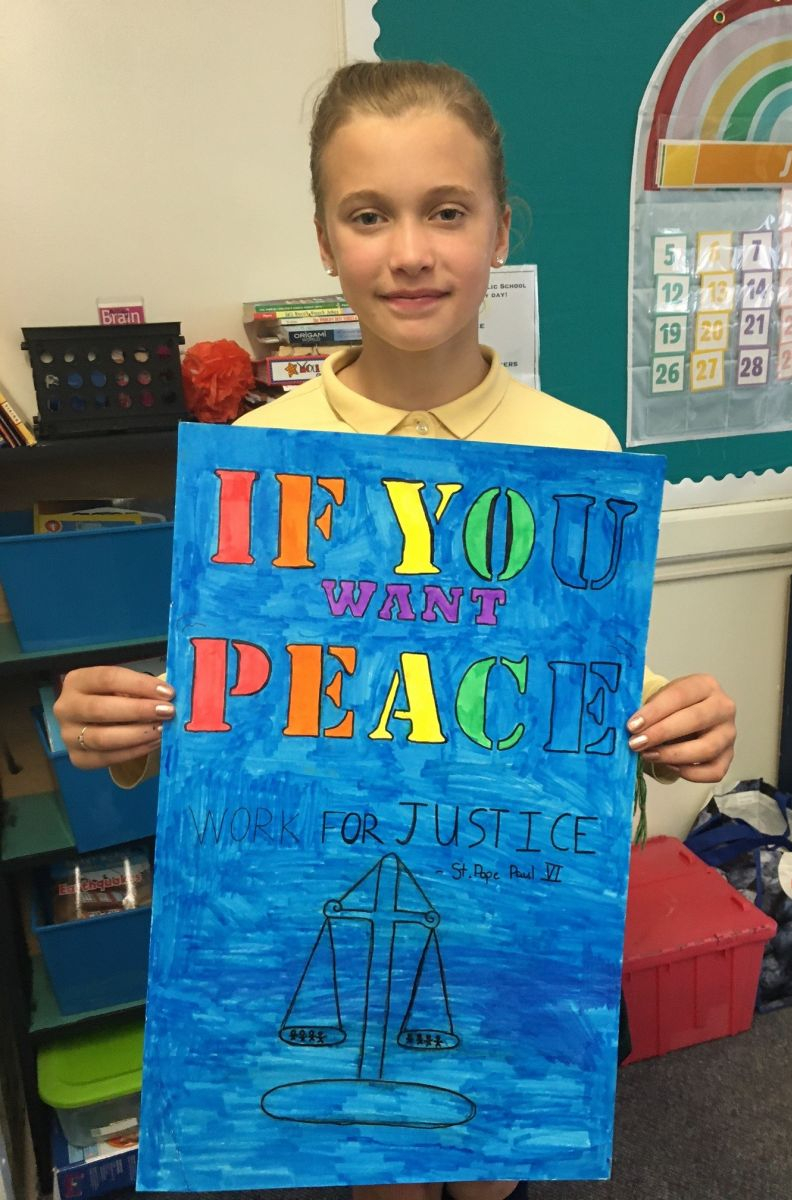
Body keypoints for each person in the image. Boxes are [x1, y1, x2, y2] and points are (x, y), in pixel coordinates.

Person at [54, 59, 736, 1200]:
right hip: (315, 873)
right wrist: (127, 728)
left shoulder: (576, 451)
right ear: (325, 239)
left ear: (500, 228)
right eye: (369, 215)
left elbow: (580, 680)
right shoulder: (264, 457)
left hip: (503, 893)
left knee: (480, 1168)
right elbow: (234, 700)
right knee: (372, 1172)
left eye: (448, 212)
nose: (410, 251)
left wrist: (677, 724)